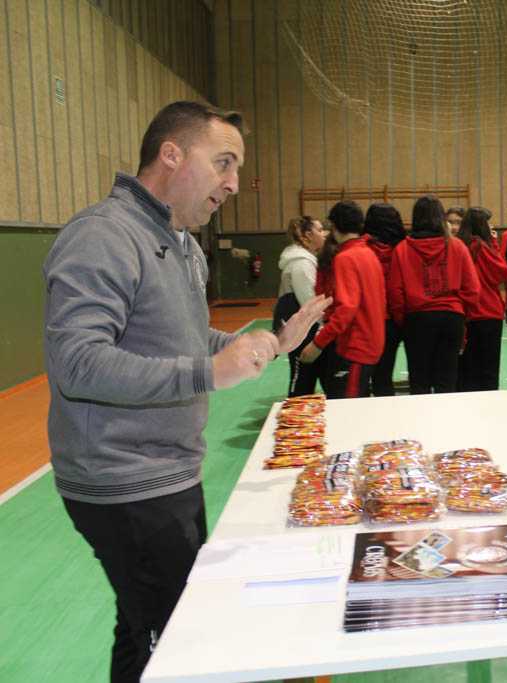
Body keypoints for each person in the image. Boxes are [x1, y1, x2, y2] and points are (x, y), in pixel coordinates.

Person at [43, 101, 330, 683]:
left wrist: (269, 344)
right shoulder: (103, 236)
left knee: (145, 628)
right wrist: (208, 373)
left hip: (168, 472)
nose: (234, 182)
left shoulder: (181, 243)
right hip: (124, 483)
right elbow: (77, 362)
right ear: (171, 155)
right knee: (174, 641)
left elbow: (188, 338)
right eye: (223, 162)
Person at [388, 195, 480, 394]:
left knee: (419, 382)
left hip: (417, 319)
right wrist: (461, 314)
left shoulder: (402, 249)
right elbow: (473, 289)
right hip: (451, 318)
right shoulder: (457, 246)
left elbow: (395, 292)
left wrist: (403, 320)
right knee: (447, 381)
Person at [300, 201, 386, 399]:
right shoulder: (369, 253)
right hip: (370, 342)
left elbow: (346, 308)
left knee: (346, 406)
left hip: (356, 347)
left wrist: (318, 344)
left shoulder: (345, 257)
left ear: (334, 226)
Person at [457, 207, 507, 391]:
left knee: (468, 369)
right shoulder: (481, 246)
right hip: (487, 312)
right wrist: (494, 243)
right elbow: (502, 272)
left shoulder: (461, 246)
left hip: (468, 313)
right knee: (488, 371)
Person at [274, 215, 328, 396]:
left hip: (305, 330)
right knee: (302, 383)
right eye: (319, 230)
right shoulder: (301, 264)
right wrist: (326, 326)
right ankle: (295, 411)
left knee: (311, 377)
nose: (324, 234)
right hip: (303, 333)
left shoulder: (305, 260)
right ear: (308, 235)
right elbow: (310, 302)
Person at [363, 202, 407, 396]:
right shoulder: (403, 248)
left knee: (366, 375)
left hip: (370, 318)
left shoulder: (362, 249)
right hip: (396, 318)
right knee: (384, 375)